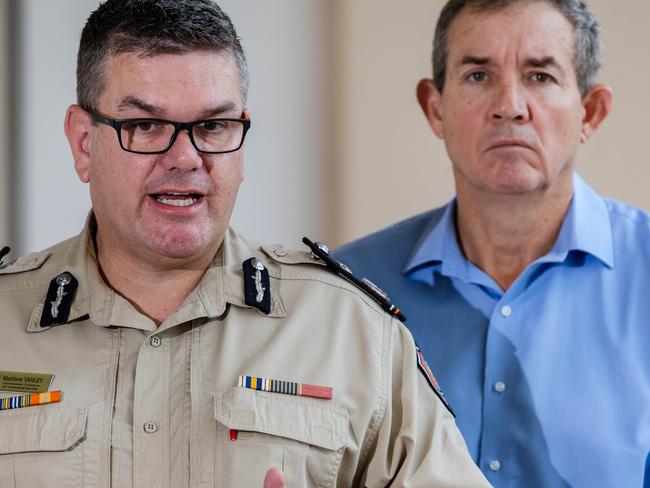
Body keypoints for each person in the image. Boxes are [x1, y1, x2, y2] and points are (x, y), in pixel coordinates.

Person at [0, 1, 491, 487]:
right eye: (145, 126)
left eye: (213, 126)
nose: (185, 157)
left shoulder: (353, 333)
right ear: (84, 142)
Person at [334, 0, 650, 487]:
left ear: (590, 111)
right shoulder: (348, 289)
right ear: (435, 108)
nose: (510, 105)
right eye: (479, 76)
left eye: (540, 76)